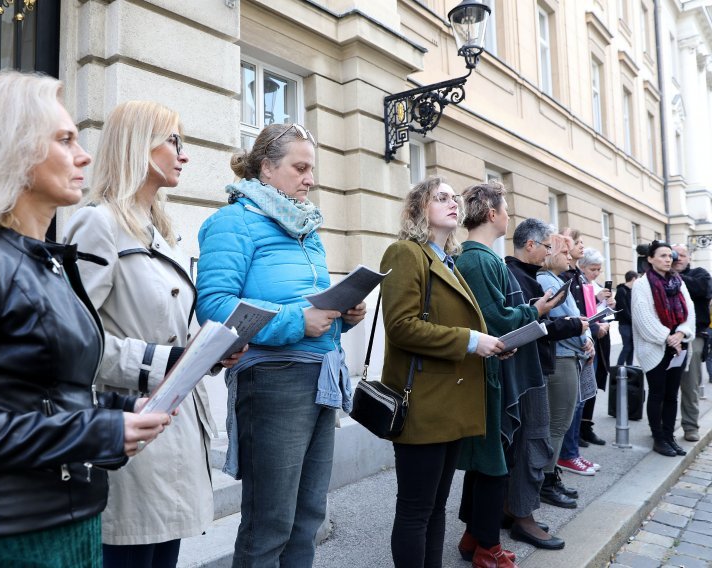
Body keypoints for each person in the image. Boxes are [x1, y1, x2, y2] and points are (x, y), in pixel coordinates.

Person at [0, 71, 171, 568]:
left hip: (74, 524)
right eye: (65, 139)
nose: (85, 155)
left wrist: (124, 409)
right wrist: (97, 432)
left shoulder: (45, 261)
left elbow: (46, 390)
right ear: (12, 151)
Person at [64, 101, 242, 568]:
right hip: (130, 433)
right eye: (173, 141)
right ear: (138, 147)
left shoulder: (160, 233)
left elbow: (174, 328)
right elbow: (75, 342)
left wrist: (210, 353)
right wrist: (168, 361)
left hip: (176, 430)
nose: (184, 154)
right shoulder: (97, 224)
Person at [195, 122, 366, 567]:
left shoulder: (307, 229)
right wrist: (297, 321)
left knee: (307, 518)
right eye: (301, 167)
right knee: (269, 523)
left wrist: (341, 317)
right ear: (267, 169)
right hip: (272, 382)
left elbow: (311, 311)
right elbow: (215, 307)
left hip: (320, 377)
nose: (310, 178)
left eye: (312, 169)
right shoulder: (232, 222)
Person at [379, 177, 507, 568]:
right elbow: (400, 327)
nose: (453, 203)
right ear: (420, 209)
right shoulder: (405, 253)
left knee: (436, 510)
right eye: (441, 198)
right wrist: (470, 341)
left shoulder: (447, 259)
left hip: (449, 406)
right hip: (423, 405)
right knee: (417, 510)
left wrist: (490, 346)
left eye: (454, 198)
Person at [454, 182, 563, 567]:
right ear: (491, 214)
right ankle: (486, 547)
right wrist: (537, 312)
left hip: (496, 371)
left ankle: (475, 537)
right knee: (492, 461)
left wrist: (531, 310)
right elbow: (496, 320)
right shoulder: (479, 260)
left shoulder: (482, 258)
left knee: (492, 460)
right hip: (490, 375)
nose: (508, 215)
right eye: (505, 207)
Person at [505, 218, 587, 548]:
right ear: (531, 245)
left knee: (530, 443)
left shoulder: (524, 275)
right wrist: (570, 324)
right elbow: (527, 324)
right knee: (531, 444)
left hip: (535, 367)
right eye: (547, 247)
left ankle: (515, 510)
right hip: (528, 371)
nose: (549, 252)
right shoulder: (517, 276)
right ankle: (522, 517)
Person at [537, 234, 595, 489]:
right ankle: (545, 479)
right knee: (557, 423)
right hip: (561, 357)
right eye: (564, 253)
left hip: (568, 355)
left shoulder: (556, 279)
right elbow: (563, 325)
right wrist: (584, 340)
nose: (570, 258)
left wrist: (585, 335)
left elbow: (575, 318)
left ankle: (549, 476)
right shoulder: (546, 280)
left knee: (560, 422)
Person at [632, 241, 695, 456]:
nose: (668, 259)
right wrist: (668, 338)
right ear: (650, 259)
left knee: (672, 395)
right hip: (655, 347)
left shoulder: (678, 281)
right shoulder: (642, 284)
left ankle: (669, 436)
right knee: (657, 393)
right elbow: (643, 319)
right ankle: (658, 438)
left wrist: (680, 334)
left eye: (670, 256)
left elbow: (690, 312)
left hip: (678, 345)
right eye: (663, 255)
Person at [557, 229, 602, 471]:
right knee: (571, 406)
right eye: (577, 243)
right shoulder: (561, 275)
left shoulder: (576, 275)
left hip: (584, 342)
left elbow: (582, 311)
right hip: (571, 348)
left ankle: (572, 451)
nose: (581, 246)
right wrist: (584, 334)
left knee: (580, 401)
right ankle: (567, 454)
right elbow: (567, 316)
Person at [672, 244, 712, 442]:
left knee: (690, 385)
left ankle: (690, 426)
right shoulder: (660, 278)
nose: (678, 258)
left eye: (682, 255)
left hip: (694, 336)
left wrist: (672, 276)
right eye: (673, 255)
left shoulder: (700, 274)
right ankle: (664, 428)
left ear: (689, 257)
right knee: (665, 387)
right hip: (667, 338)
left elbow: (701, 289)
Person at [576, 248, 615, 447]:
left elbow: (601, 311)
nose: (597, 273)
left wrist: (609, 307)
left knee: (593, 384)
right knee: (584, 386)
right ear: (581, 267)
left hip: (600, 339)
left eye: (599, 269)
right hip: (586, 338)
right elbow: (581, 311)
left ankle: (586, 426)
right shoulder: (578, 283)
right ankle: (578, 431)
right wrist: (597, 299)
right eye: (593, 269)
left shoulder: (595, 284)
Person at [615, 271, 639, 366]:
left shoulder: (631, 291)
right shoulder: (621, 291)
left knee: (632, 347)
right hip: (624, 324)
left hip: (631, 324)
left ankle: (630, 367)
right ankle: (618, 367)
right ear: (633, 278)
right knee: (627, 347)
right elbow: (623, 309)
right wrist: (634, 321)